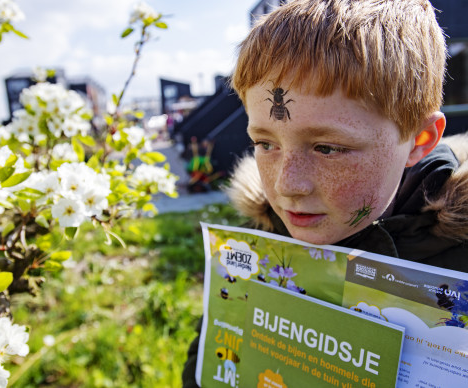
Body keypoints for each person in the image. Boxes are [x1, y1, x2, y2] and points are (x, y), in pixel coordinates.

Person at [182, 0, 468, 386]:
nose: (287, 186)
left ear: (418, 139)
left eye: (327, 148)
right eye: (265, 144)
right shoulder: (264, 239)